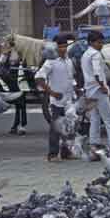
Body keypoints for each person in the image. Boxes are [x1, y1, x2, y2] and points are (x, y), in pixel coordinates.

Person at [35, 34, 76, 162]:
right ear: (55, 47)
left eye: (65, 46)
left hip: (69, 100)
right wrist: (51, 93)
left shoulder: (69, 61)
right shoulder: (50, 61)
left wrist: (76, 89)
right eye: (60, 46)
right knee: (56, 128)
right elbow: (39, 78)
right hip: (57, 101)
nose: (63, 49)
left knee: (69, 127)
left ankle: (66, 152)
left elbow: (70, 78)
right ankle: (52, 154)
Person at [81, 31, 110, 159]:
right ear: (92, 42)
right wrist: (103, 86)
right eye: (99, 42)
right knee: (109, 120)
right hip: (99, 90)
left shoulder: (85, 54)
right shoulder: (96, 54)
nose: (101, 45)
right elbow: (97, 72)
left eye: (102, 42)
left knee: (94, 119)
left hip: (89, 90)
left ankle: (94, 148)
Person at [0, 39, 27, 135]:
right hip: (12, 78)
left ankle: (21, 125)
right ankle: (18, 125)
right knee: (19, 104)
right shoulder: (9, 53)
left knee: (20, 103)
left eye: (7, 45)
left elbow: (3, 64)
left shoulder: (15, 54)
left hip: (17, 79)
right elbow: (1, 65)